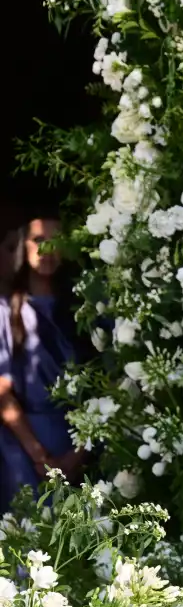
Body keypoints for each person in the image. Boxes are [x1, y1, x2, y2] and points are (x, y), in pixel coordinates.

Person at [0, 216, 83, 509]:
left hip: (81, 441)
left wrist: (78, 454)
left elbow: (109, 386)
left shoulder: (84, 308)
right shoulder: (5, 311)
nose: (47, 249)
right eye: (38, 240)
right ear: (24, 246)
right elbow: (2, 393)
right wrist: (41, 458)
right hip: (24, 449)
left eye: (56, 241)